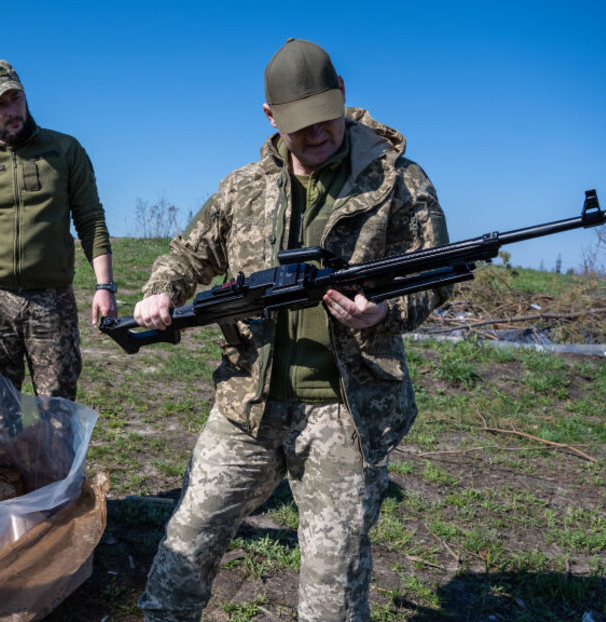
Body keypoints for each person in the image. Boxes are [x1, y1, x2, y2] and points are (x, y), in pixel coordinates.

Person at [133, 39, 450, 622]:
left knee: (332, 593)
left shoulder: (398, 182)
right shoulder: (243, 186)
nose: (316, 133)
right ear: (270, 116)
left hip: (344, 411)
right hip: (246, 403)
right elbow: (187, 254)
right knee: (185, 547)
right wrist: (161, 291)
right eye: (299, 124)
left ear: (343, 94)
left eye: (325, 116)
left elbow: (434, 276)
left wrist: (385, 312)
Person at [0, 59, 116, 400]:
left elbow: (91, 219)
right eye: (0, 104)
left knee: (57, 409)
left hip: (52, 299)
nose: (12, 110)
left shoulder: (65, 150)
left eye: (15, 98)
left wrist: (104, 286)